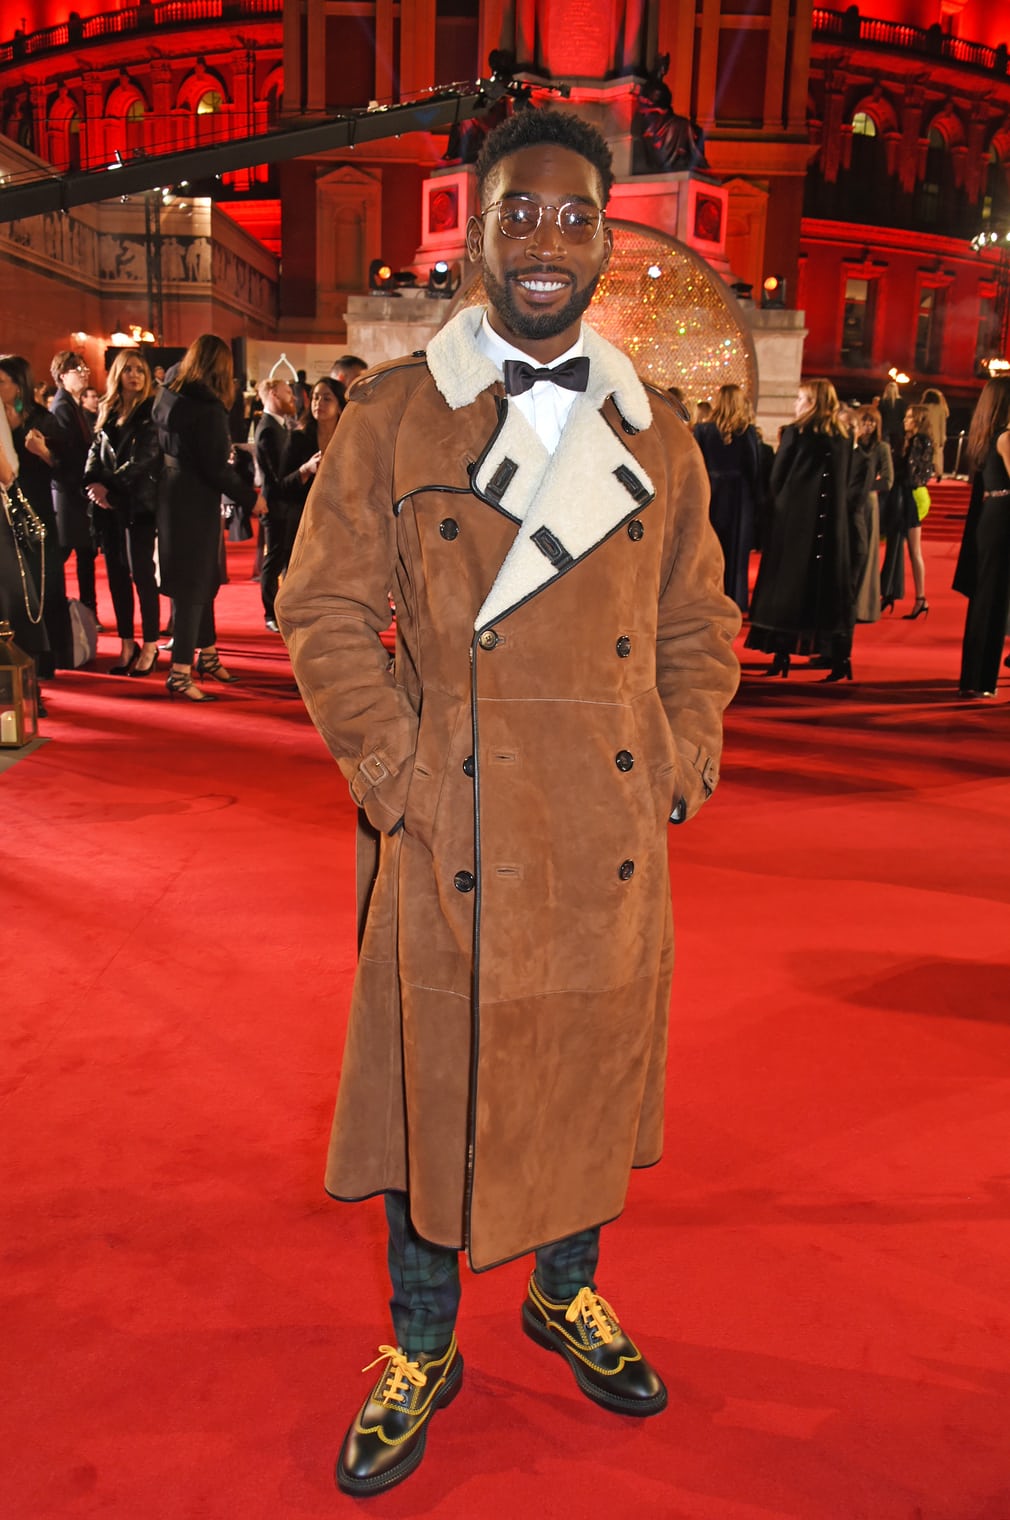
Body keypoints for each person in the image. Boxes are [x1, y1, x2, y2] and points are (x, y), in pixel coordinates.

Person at [276, 108, 741, 1498]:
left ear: (608, 238)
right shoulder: (388, 414)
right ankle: (422, 1346)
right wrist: (397, 770)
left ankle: (562, 1293)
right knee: (436, 1093)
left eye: (573, 217)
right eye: (518, 214)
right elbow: (319, 606)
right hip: (451, 829)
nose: (545, 241)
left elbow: (696, 623)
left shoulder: (653, 439)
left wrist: (679, 753)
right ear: (472, 233)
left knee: (585, 1082)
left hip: (602, 836)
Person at [152, 334, 259, 703]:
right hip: (195, 498)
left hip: (172, 492)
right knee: (193, 583)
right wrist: (250, 500)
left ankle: (207, 653)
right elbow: (216, 468)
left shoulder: (169, 395)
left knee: (201, 578)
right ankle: (180, 672)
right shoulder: (208, 408)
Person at [745, 378, 855, 680]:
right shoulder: (843, 435)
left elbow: (778, 479)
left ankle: (781, 653)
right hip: (831, 523)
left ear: (813, 403)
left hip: (795, 522)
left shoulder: (796, 433)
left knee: (787, 586)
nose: (795, 404)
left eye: (801, 398)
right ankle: (837, 656)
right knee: (825, 586)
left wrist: (774, 512)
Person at [84, 349, 162, 677]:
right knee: (117, 578)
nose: (135, 375)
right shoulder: (107, 410)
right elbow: (94, 452)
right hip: (108, 509)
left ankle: (151, 644)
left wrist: (108, 490)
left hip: (139, 505)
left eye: (140, 371)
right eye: (128, 369)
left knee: (142, 576)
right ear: (118, 375)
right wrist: (91, 483)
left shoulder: (151, 413)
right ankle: (127, 641)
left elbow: (143, 460)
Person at [0, 354, 72, 673]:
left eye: (1, 382)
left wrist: (43, 453)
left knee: (46, 584)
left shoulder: (41, 419)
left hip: (37, 510)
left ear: (19, 386)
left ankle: (49, 658)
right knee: (14, 589)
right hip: (5, 515)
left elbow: (68, 471)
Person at [953, 376, 1010, 698]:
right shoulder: (1006, 437)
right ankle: (982, 678)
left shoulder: (985, 436)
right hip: (1004, 516)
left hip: (993, 515)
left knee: (986, 598)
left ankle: (975, 676)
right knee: (994, 599)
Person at [693, 383, 760, 611]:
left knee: (708, 549)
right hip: (739, 497)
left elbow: (696, 464)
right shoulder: (746, 431)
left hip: (711, 491)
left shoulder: (703, 430)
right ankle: (733, 600)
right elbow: (754, 467)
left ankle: (706, 596)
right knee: (736, 552)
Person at [47, 351, 97, 619]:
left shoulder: (73, 404)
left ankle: (89, 609)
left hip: (77, 491)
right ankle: (55, 607)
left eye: (84, 367)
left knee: (85, 553)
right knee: (65, 553)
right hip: (68, 493)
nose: (84, 372)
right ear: (63, 375)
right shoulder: (62, 407)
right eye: (78, 368)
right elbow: (68, 454)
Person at [274, 376, 343, 567]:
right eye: (315, 397)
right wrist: (305, 470)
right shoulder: (298, 438)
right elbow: (282, 486)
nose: (318, 403)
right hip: (304, 525)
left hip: (339, 526)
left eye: (326, 398)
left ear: (339, 406)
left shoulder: (350, 441)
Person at [253, 377, 297, 632]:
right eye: (287, 392)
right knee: (275, 559)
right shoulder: (269, 428)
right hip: (276, 505)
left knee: (285, 557)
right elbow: (276, 477)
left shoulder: (279, 425)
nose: (292, 397)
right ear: (272, 394)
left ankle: (280, 609)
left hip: (284, 504)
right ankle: (270, 612)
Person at [880, 404, 932, 618]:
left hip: (907, 497)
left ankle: (920, 598)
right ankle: (891, 593)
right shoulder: (905, 440)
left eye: (910, 417)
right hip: (899, 496)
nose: (905, 420)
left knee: (914, 550)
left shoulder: (921, 441)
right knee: (900, 548)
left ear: (918, 420)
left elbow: (918, 475)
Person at [848, 404, 893, 625]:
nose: (868, 426)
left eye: (871, 422)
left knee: (865, 554)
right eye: (864, 421)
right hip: (850, 501)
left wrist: (866, 487)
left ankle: (863, 607)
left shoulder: (881, 447)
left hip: (868, 502)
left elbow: (888, 479)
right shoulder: (850, 444)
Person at [920, 386, 949, 480]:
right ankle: (939, 473)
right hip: (937, 435)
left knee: (923, 454)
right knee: (938, 455)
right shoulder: (940, 409)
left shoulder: (922, 408)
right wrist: (942, 438)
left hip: (924, 434)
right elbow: (942, 424)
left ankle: (923, 472)